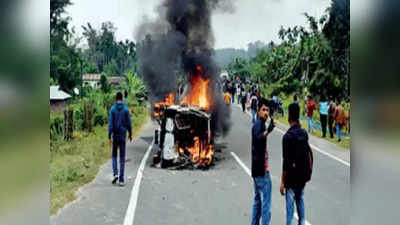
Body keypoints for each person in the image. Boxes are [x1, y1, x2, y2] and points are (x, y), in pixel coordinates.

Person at [280, 103, 313, 225]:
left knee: (290, 212)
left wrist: (283, 182)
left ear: (289, 116)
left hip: (291, 179)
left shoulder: (287, 137)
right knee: (300, 202)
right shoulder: (304, 134)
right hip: (302, 176)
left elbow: (286, 162)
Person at [251, 98, 276, 225]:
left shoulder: (260, 123)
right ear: (258, 110)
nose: (266, 112)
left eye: (267, 110)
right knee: (266, 206)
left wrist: (267, 130)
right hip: (261, 171)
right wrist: (268, 131)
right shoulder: (258, 125)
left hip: (257, 170)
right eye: (263, 110)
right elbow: (257, 139)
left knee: (257, 202)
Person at [108, 92, 132, 186]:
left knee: (114, 156)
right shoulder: (126, 110)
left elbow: (110, 124)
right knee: (122, 158)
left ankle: (115, 174)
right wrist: (130, 134)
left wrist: (109, 135)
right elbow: (129, 123)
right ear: (122, 99)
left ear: (115, 98)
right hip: (123, 135)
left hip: (115, 135)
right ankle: (121, 180)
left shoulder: (112, 110)